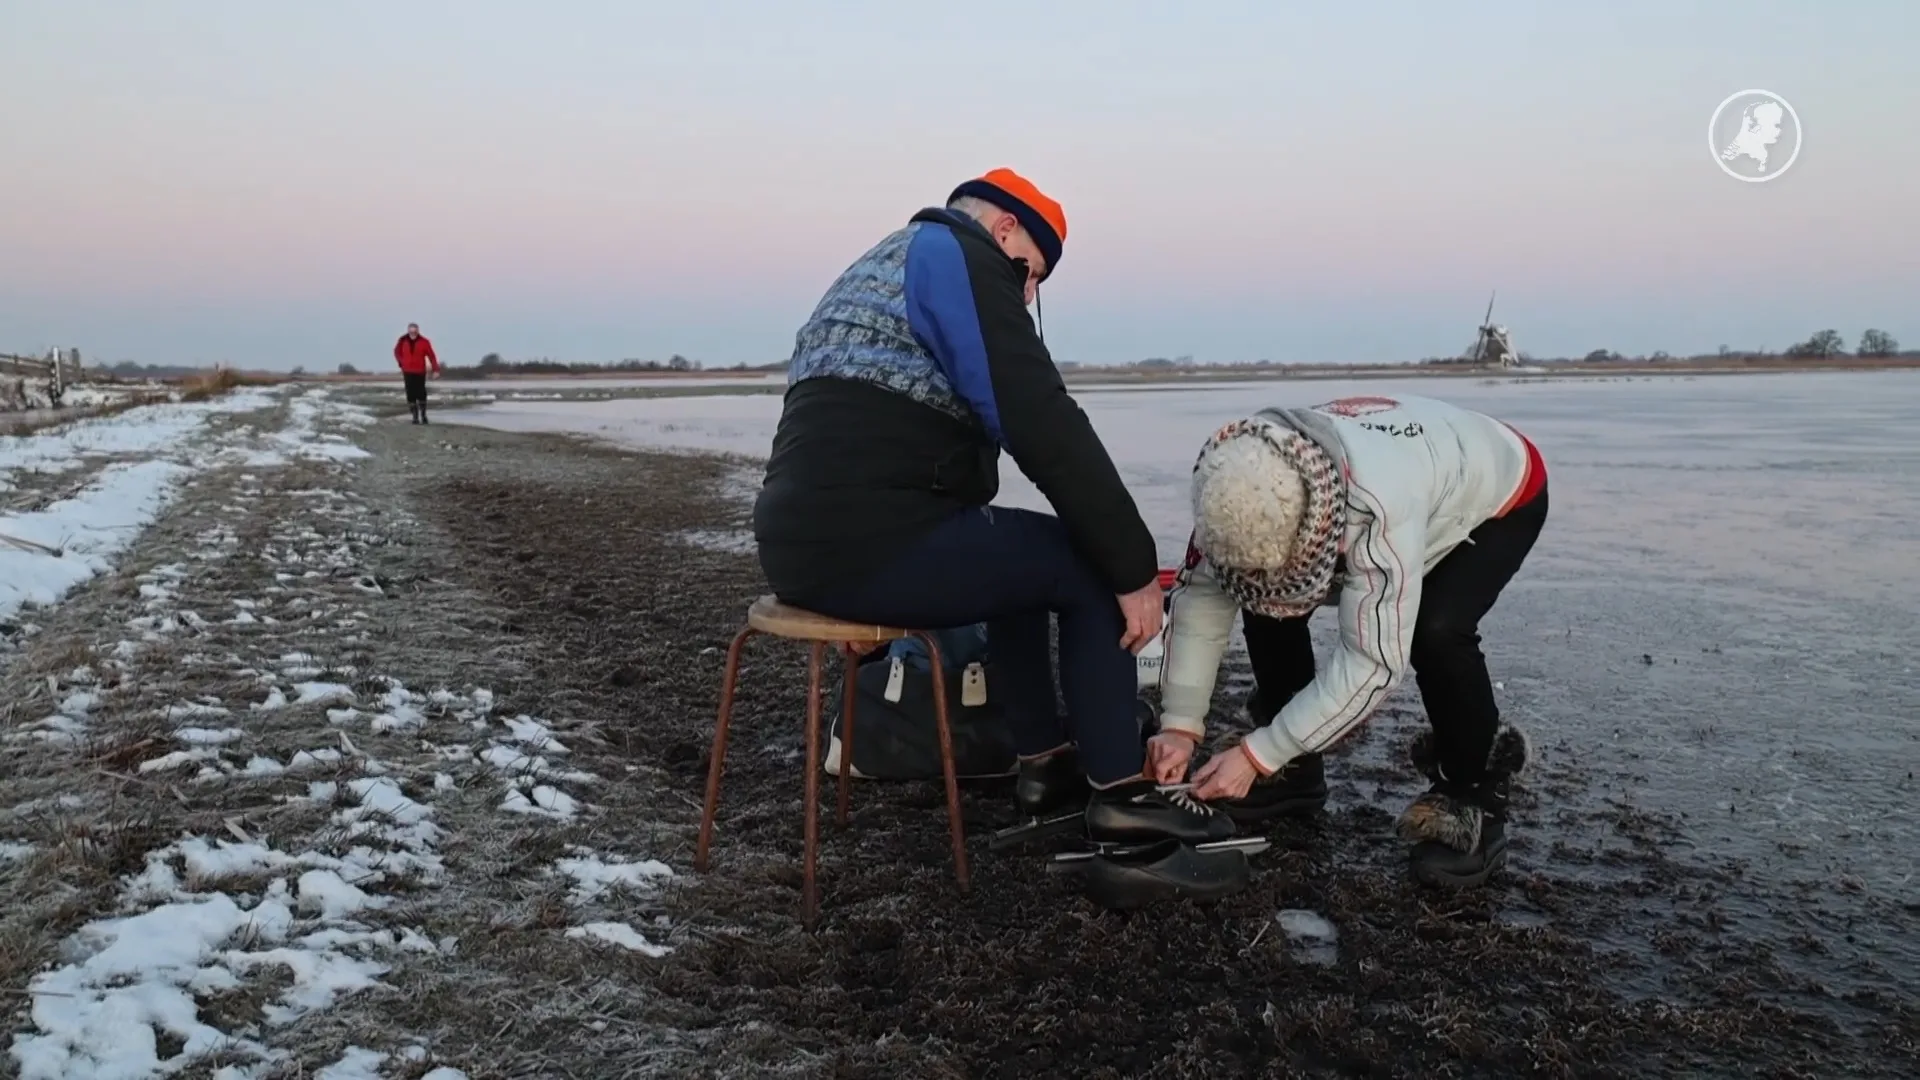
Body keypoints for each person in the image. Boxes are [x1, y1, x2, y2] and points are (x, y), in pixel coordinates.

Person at [752, 168, 1233, 847]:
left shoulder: (881, 267)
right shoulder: (957, 256)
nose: (1027, 294)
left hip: (798, 545)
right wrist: (1131, 567)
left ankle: (1045, 767)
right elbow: (1037, 418)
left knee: (1020, 565)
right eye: (1030, 273)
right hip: (873, 542)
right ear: (1004, 228)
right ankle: (1122, 794)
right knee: (1089, 563)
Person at [1146, 393, 1548, 888]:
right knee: (1260, 590)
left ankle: (1474, 797)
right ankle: (1295, 773)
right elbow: (1201, 603)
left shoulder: (1379, 510)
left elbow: (1372, 665)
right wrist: (1180, 725)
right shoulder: (1233, 482)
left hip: (1500, 493)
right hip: (1400, 472)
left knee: (1438, 631)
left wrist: (1258, 753)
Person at [393, 323, 441, 423]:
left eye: (415, 331)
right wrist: (401, 362)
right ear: (408, 331)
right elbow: (396, 352)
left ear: (418, 331)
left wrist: (436, 369)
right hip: (407, 370)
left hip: (420, 371)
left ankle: (423, 415)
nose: (413, 333)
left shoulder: (424, 341)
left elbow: (431, 356)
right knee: (410, 394)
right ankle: (415, 416)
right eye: (411, 331)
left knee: (421, 393)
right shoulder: (402, 340)